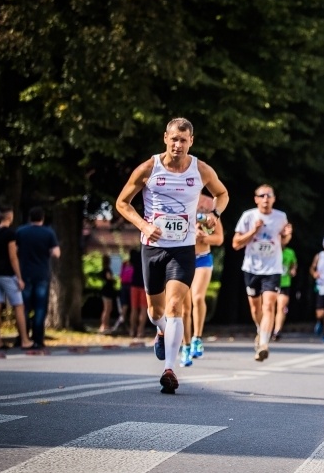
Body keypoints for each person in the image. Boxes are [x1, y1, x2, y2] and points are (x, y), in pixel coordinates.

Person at [116, 117, 228, 394]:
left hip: (183, 248)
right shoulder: (148, 168)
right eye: (174, 139)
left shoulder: (200, 169)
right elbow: (121, 203)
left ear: (191, 141)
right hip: (152, 247)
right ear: (165, 138)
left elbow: (222, 194)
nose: (178, 145)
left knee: (176, 305)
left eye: (184, 140)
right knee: (156, 312)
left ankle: (169, 368)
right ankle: (161, 330)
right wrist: (143, 225)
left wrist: (214, 214)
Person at [232, 185, 292, 362]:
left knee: (268, 306)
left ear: (274, 199)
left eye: (269, 196)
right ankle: (261, 330)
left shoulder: (281, 217)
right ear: (256, 199)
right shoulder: (248, 216)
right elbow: (236, 244)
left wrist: (287, 235)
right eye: (262, 195)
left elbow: (282, 242)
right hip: (251, 268)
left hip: (272, 268)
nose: (266, 198)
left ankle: (264, 344)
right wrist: (253, 231)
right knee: (255, 307)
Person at [185, 194, 225, 362]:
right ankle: (185, 345)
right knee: (183, 307)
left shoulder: (209, 204)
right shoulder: (178, 198)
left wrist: (204, 238)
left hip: (202, 257)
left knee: (198, 297)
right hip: (182, 258)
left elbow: (219, 238)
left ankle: (197, 338)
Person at [0, 205, 33, 350]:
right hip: (7, 274)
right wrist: (19, 278)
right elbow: (13, 257)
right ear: (10, 217)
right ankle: (25, 340)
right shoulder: (10, 234)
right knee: (18, 306)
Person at [16, 206, 60, 348]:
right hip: (41, 273)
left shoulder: (21, 232)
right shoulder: (48, 233)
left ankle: (22, 336)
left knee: (24, 306)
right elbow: (56, 253)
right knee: (40, 307)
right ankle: (38, 338)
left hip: (24, 273)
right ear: (42, 218)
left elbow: (14, 250)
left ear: (30, 218)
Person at [273, 232, 297, 342]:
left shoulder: (290, 252)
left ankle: (277, 330)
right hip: (271, 281)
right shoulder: (272, 250)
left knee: (281, 307)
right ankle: (266, 328)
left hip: (285, 283)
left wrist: (293, 270)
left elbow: (293, 264)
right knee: (269, 306)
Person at [128, 248, 147, 340]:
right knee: (144, 309)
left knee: (134, 309)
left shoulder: (134, 253)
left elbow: (129, 263)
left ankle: (132, 330)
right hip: (144, 284)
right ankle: (140, 330)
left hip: (134, 283)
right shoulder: (148, 253)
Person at [97, 254, 117, 333]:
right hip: (107, 291)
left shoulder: (105, 269)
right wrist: (114, 279)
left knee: (109, 308)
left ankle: (106, 324)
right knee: (107, 308)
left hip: (108, 291)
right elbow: (109, 277)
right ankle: (103, 325)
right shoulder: (107, 270)